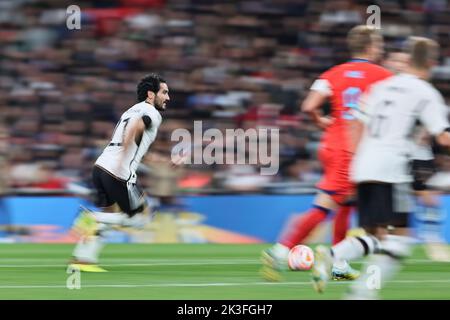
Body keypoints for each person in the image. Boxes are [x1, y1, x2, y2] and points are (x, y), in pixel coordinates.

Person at [311, 36, 450, 299]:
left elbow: (355, 124)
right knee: (400, 239)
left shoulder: (382, 87)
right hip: (393, 168)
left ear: (407, 60)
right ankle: (361, 294)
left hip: (363, 165)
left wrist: (355, 161)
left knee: (376, 237)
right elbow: (443, 137)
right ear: (432, 62)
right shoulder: (426, 93)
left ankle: (332, 256)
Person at [261, 25, 392, 282]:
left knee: (346, 203)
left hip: (331, 144)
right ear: (371, 47)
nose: (381, 49)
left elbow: (308, 105)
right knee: (324, 206)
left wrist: (321, 120)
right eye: (378, 45)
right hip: (351, 150)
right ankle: (279, 252)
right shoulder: (383, 75)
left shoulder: (332, 73)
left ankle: (339, 265)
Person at [69, 74, 175, 272]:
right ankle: (90, 218)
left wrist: (166, 162)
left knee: (110, 216)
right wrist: (122, 160)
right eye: (165, 92)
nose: (168, 97)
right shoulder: (151, 112)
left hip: (100, 168)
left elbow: (139, 148)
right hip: (119, 172)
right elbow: (136, 129)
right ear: (151, 95)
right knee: (140, 219)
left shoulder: (130, 110)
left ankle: (83, 259)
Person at [384, 50, 450, 262]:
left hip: (415, 152)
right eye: (396, 60)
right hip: (394, 153)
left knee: (423, 194)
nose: (400, 64)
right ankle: (415, 237)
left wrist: (424, 133)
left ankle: (430, 238)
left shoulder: (416, 89)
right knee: (409, 196)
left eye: (404, 60)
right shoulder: (386, 87)